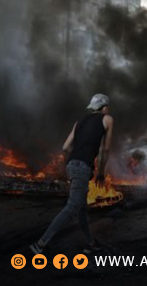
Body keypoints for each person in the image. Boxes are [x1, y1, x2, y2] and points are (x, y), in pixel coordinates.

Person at [30, 93, 114, 255]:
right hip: (82, 168)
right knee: (72, 207)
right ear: (104, 108)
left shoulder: (79, 122)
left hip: (71, 165)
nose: (108, 110)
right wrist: (101, 172)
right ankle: (40, 244)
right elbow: (105, 149)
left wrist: (78, 158)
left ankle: (90, 243)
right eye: (107, 107)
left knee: (81, 209)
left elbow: (65, 147)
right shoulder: (107, 119)